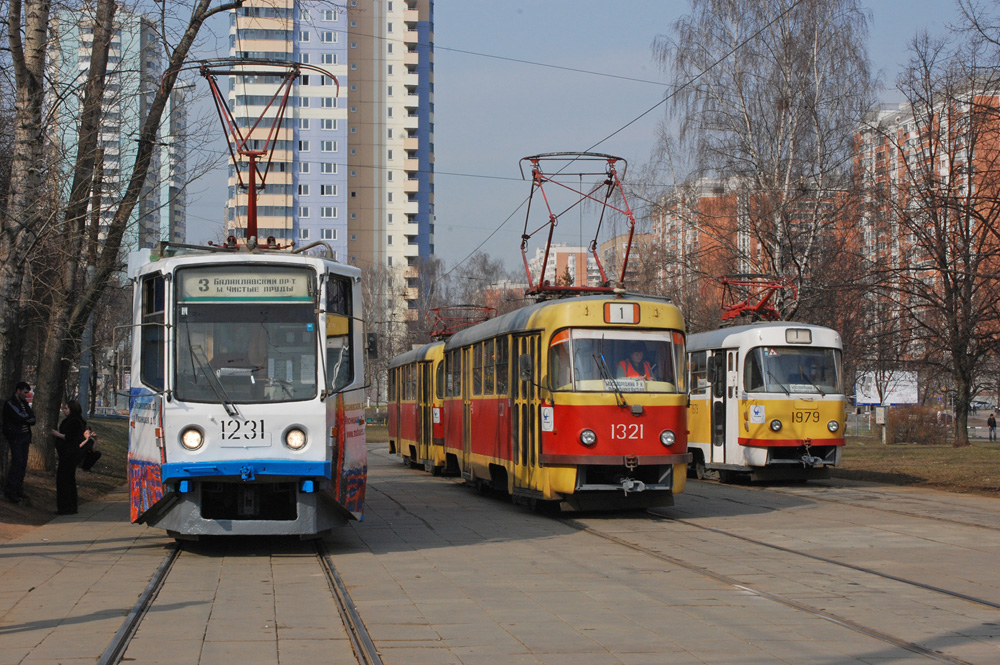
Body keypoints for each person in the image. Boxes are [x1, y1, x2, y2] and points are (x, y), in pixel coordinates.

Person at [50, 400, 93, 515]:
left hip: (69, 454)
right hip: (68, 454)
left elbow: (70, 437)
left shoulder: (74, 421)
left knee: (64, 480)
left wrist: (57, 434)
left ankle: (66, 507)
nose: (64, 411)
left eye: (67, 408)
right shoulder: (76, 421)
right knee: (68, 480)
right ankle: (70, 506)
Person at [2, 382, 36, 504]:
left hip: (25, 436)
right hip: (16, 437)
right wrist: (26, 419)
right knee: (17, 462)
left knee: (22, 464)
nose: (26, 395)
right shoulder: (11, 403)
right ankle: (10, 490)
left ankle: (18, 488)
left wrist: (27, 419)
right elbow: (19, 417)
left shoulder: (25, 404)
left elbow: (32, 418)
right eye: (25, 392)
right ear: (18, 391)